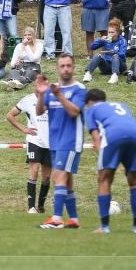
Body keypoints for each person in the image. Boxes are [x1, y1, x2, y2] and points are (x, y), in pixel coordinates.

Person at [35, 54, 87, 229]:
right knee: (67, 181)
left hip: (71, 141)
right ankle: (73, 219)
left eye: (69, 66)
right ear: (57, 68)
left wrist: (59, 95)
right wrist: (42, 95)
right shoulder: (52, 90)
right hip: (55, 142)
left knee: (57, 177)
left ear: (73, 68)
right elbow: (39, 112)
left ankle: (57, 219)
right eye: (62, 66)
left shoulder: (79, 89)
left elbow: (74, 112)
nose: (66, 69)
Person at [84, 89, 136, 234]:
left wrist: (103, 159)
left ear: (89, 102)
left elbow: (96, 136)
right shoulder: (122, 105)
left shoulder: (91, 110)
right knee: (135, 182)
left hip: (113, 137)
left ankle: (104, 227)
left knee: (104, 179)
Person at [7, 89, 51, 213]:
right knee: (34, 170)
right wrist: (23, 129)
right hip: (34, 141)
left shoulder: (54, 99)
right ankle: (31, 207)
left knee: (47, 176)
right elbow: (10, 115)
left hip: (51, 143)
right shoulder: (27, 100)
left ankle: (41, 207)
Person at [83, 21, 127, 85]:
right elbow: (92, 47)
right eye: (109, 32)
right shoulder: (106, 40)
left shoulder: (122, 41)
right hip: (107, 66)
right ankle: (88, 73)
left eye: (112, 32)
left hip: (120, 66)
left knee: (115, 56)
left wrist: (114, 52)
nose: (110, 34)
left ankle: (115, 75)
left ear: (117, 33)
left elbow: (122, 54)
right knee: (98, 55)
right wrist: (100, 40)